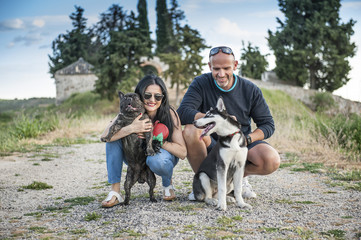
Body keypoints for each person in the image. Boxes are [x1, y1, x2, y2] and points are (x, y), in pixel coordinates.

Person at [177, 46, 280, 199]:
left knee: (271, 159)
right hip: (211, 144)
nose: (221, 74)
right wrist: (215, 118)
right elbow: (183, 112)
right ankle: (207, 185)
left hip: (239, 143)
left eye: (226, 68)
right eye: (216, 68)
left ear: (235, 65)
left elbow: (268, 125)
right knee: (191, 131)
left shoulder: (251, 89)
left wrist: (247, 139)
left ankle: (236, 180)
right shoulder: (200, 83)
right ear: (209, 66)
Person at [101, 75, 187, 207]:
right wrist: (131, 128)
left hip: (160, 156)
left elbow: (182, 152)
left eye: (158, 96)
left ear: (163, 98)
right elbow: (105, 135)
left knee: (156, 160)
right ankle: (115, 192)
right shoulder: (128, 111)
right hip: (134, 157)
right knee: (113, 139)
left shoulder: (170, 114)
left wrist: (156, 140)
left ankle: (167, 184)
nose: (152, 100)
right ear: (139, 96)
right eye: (147, 95)